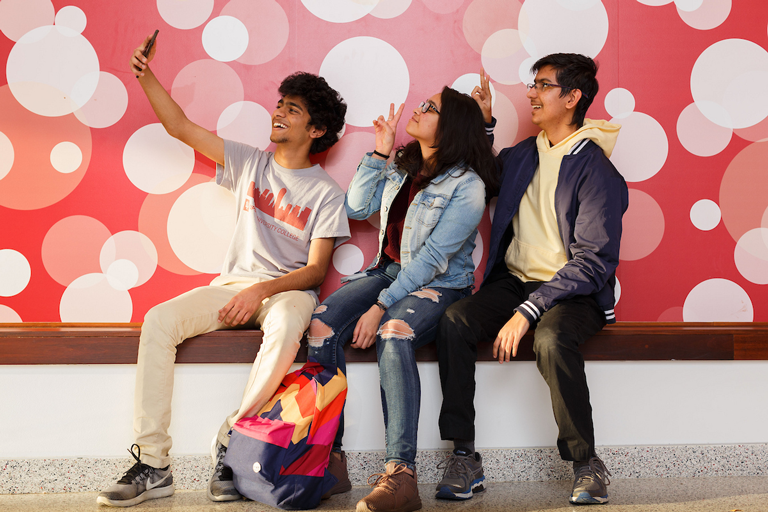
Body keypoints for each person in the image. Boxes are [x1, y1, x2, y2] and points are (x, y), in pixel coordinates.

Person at [97, 34, 350, 507]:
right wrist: (145, 76)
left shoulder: (326, 193)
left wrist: (261, 293)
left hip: (286, 292)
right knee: (158, 321)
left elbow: (316, 271)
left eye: (292, 110)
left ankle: (232, 445)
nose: (279, 112)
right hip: (232, 285)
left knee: (287, 326)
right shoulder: (249, 163)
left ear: (316, 130)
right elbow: (180, 127)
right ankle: (153, 463)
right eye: (280, 104)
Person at [434, 54, 628, 505]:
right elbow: (486, 179)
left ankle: (586, 464)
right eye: (531, 84)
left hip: (572, 292)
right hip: (514, 281)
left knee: (551, 338)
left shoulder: (598, 170)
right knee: (455, 320)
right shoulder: (524, 153)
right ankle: (464, 456)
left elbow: (594, 262)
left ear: (573, 97)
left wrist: (530, 310)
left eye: (542, 85)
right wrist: (484, 125)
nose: (530, 93)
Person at [306, 87, 497, 512]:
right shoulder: (404, 166)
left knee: (395, 330)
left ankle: (401, 475)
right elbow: (356, 208)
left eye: (431, 108)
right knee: (321, 323)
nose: (420, 108)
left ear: (451, 127)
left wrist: (379, 307)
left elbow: (431, 259)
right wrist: (379, 152)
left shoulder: (467, 186)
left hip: (442, 283)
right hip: (388, 270)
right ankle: (330, 461)